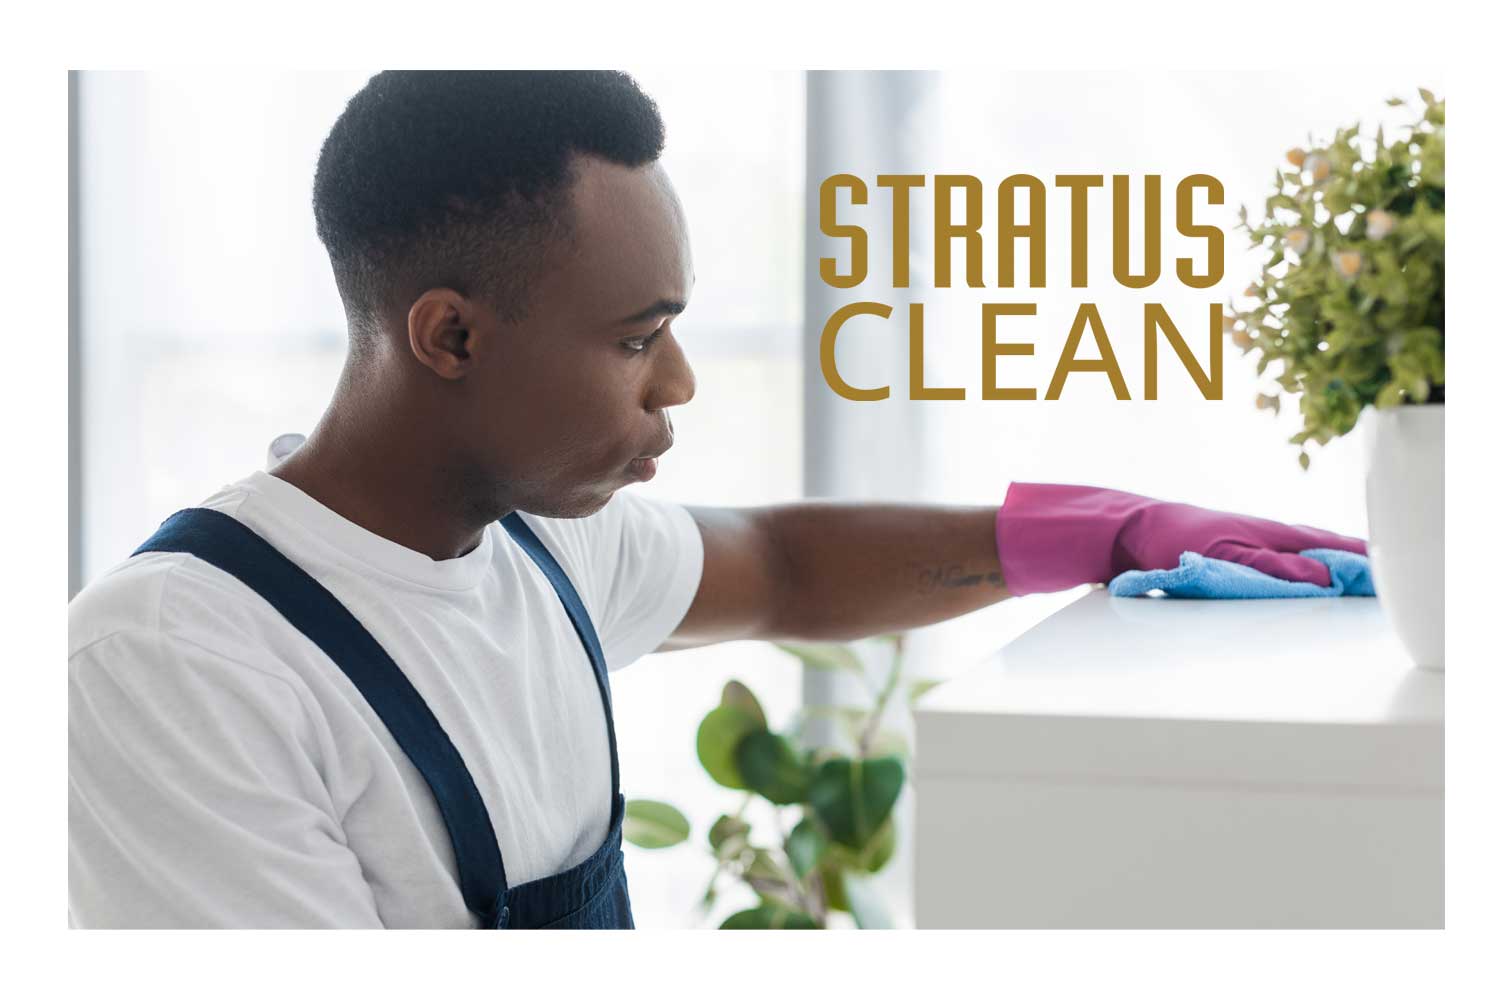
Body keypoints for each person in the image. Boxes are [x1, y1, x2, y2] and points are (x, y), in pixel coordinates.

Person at [68, 71, 1365, 929]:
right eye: (638, 339)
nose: (680, 382)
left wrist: (1098, 533)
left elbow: (785, 569)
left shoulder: (536, 545)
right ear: (450, 335)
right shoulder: (177, 659)